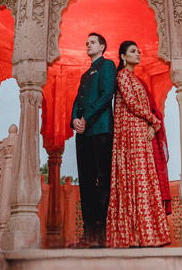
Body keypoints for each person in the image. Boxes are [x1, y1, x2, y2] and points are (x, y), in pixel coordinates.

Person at [106, 40, 171, 248]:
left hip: (141, 134)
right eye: (133, 51)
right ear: (123, 56)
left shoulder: (136, 79)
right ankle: (132, 235)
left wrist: (152, 126)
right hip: (129, 136)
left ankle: (148, 235)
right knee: (134, 179)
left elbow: (140, 106)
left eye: (139, 50)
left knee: (144, 179)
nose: (138, 54)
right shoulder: (123, 76)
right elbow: (132, 103)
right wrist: (154, 120)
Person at [70, 32, 117, 248]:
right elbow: (77, 101)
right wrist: (74, 121)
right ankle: (89, 235)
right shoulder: (84, 75)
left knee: (103, 180)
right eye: (86, 42)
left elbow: (106, 95)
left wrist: (86, 118)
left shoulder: (107, 66)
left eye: (92, 42)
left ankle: (104, 235)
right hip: (84, 133)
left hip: (100, 130)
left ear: (102, 46)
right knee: (86, 183)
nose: (88, 45)